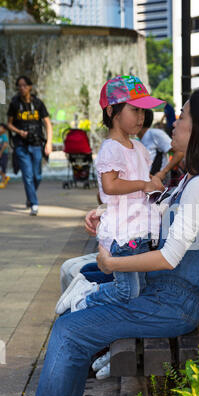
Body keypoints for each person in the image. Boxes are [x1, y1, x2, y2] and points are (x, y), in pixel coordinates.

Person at [0, 87, 199, 396]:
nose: (174, 122)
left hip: (170, 305)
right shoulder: (193, 181)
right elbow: (154, 216)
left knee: (69, 329)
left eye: (184, 116)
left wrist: (112, 262)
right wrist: (105, 213)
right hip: (161, 293)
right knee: (77, 319)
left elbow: (169, 257)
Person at [55, 75, 165, 315]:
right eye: (135, 110)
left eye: (143, 111)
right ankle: (84, 295)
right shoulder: (111, 148)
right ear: (112, 110)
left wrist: (153, 184)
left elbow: (142, 184)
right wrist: (143, 184)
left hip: (140, 226)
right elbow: (110, 186)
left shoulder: (138, 147)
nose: (141, 117)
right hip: (122, 231)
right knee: (128, 290)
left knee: (139, 286)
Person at [7, 76, 53, 216]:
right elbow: (9, 123)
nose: (22, 88)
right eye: (19, 86)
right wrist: (19, 131)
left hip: (37, 143)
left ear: (30, 87)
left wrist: (49, 143)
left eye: (24, 85)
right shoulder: (14, 103)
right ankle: (34, 203)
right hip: (21, 145)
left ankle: (30, 196)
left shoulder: (38, 103)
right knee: (27, 175)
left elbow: (48, 124)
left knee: (37, 176)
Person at [137, 108, 184, 186]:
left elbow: (180, 152)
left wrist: (163, 172)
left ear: (141, 119)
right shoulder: (137, 141)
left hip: (158, 184)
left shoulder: (154, 134)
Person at [0, 123, 10, 188]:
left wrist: (0, 153)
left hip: (3, 154)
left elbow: (5, 144)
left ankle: (3, 182)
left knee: (3, 167)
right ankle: (5, 177)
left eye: (0, 128)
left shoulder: (4, 136)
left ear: (4, 129)